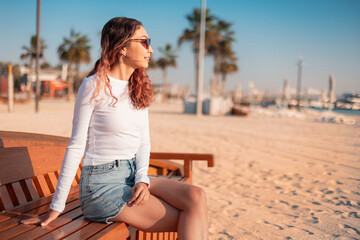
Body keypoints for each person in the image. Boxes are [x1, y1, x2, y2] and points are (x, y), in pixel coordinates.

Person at [21, 17, 208, 239]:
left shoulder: (138, 87)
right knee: (191, 218)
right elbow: (76, 145)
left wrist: (141, 179)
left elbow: (143, 141)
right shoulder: (94, 85)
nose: (151, 49)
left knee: (197, 197)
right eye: (144, 42)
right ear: (122, 48)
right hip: (101, 186)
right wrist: (56, 207)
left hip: (131, 176)